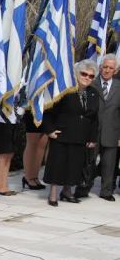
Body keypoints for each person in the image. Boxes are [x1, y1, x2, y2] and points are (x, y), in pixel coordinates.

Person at [42, 60, 100, 206]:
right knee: (57, 165)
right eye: (84, 74)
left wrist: (92, 138)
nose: (87, 77)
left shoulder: (93, 93)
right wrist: (49, 130)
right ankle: (53, 193)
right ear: (76, 73)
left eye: (91, 76)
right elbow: (48, 111)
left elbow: (93, 118)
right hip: (62, 134)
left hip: (81, 136)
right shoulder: (65, 90)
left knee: (74, 166)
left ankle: (67, 192)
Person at [77, 53, 120, 201]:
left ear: (115, 71)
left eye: (111, 68)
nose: (107, 70)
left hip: (112, 132)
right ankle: (83, 189)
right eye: (105, 67)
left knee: (109, 165)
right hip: (92, 132)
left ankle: (106, 192)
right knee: (88, 162)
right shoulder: (91, 83)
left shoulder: (119, 86)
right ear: (100, 67)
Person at [22, 107, 48, 191]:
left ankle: (35, 176)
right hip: (33, 106)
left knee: (42, 143)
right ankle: (28, 177)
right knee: (32, 143)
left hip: (47, 108)